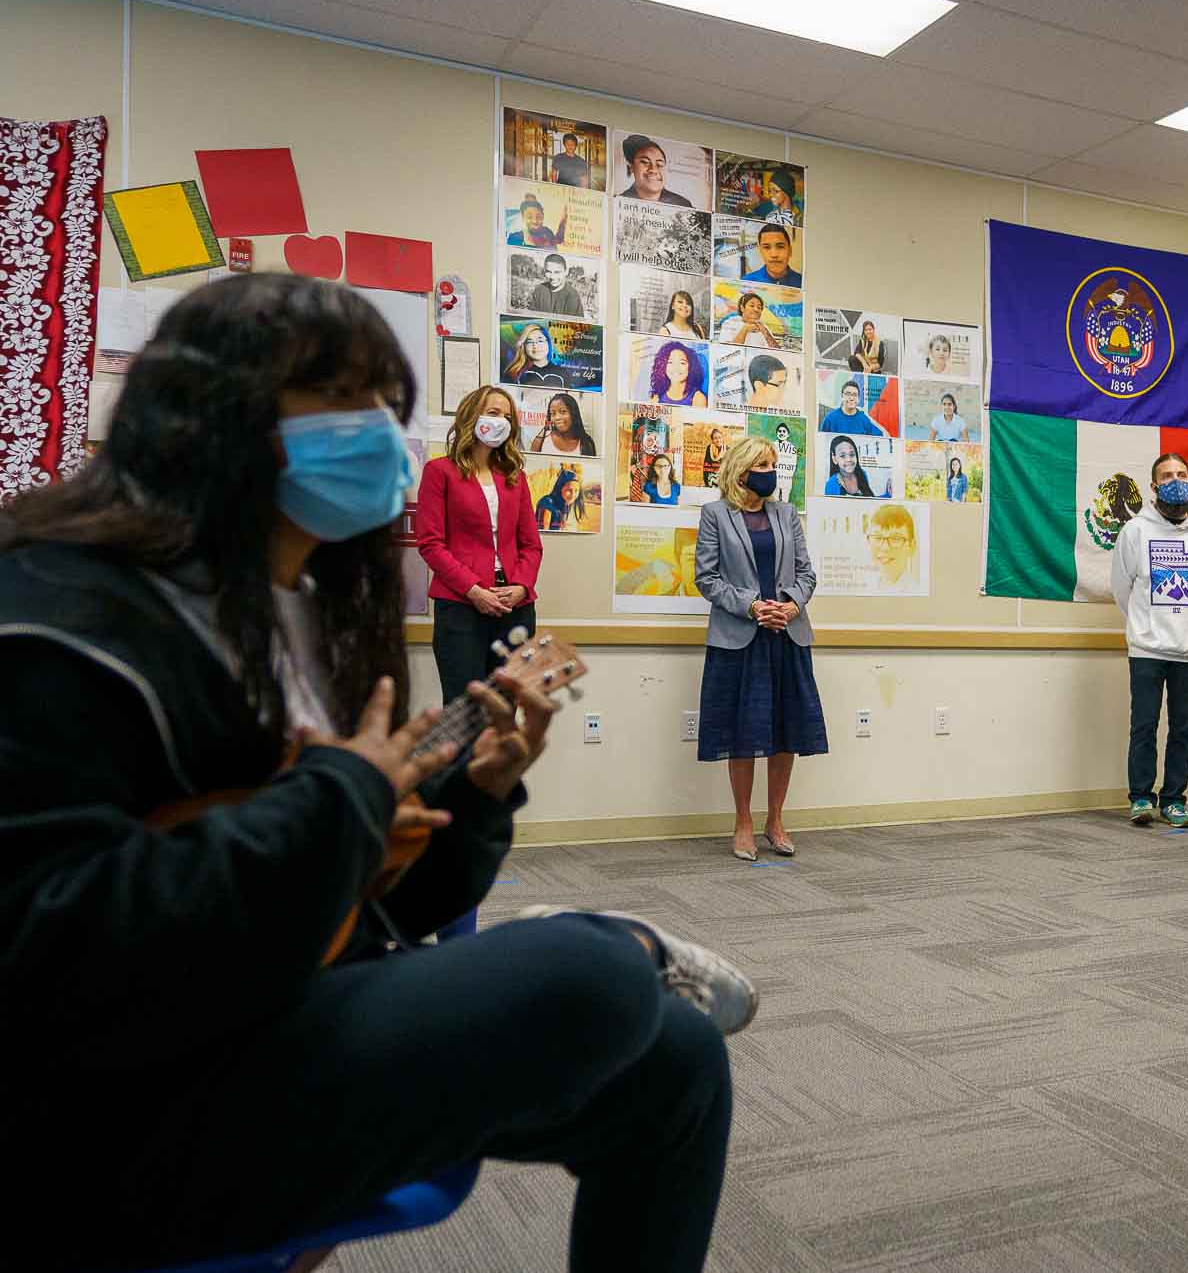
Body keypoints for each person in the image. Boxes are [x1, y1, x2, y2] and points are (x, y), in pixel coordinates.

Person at [0, 274, 748, 1273]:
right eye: (337, 401)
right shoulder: (58, 609)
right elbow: (41, 948)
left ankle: (618, 946)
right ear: (213, 411)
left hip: (260, 1010)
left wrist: (472, 794)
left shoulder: (311, 615)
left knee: (677, 1060)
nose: (378, 434)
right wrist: (341, 798)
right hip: (106, 1111)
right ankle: (627, 942)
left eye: (386, 410)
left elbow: (376, 902)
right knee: (590, 974)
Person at [694, 436, 825, 861]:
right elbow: (707, 578)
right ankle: (743, 823)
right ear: (741, 469)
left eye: (774, 463)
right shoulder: (716, 515)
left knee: (786, 731)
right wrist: (752, 607)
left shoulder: (787, 514)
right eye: (763, 464)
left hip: (787, 635)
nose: (771, 471)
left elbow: (806, 573)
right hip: (740, 637)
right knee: (743, 733)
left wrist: (790, 605)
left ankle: (776, 820)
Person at [1112, 453, 1188, 830]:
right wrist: (1146, 625)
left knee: (1182, 729)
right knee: (1143, 725)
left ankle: (1174, 800)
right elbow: (1121, 589)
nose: (1175, 480)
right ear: (1154, 486)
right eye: (1167, 475)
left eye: (1181, 474)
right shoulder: (1135, 532)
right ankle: (1141, 797)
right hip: (1146, 648)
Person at [419, 385, 542, 703]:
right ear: (470, 416)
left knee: (504, 709)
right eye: (493, 413)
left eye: (507, 417)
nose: (501, 421)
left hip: (515, 608)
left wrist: (521, 588)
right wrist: (473, 590)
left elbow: (531, 545)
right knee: (464, 710)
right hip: (462, 607)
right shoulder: (439, 472)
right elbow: (431, 544)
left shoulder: (516, 477)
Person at [619, 134, 693, 205]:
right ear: (631, 167)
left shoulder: (683, 204)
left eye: (659, 164)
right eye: (645, 162)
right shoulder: (619, 201)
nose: (653, 170)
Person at [867, 504, 919, 590]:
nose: (885, 547)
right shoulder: (868, 585)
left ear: (911, 546)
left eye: (895, 538)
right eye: (877, 537)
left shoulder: (914, 590)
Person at [528, 391, 597, 457]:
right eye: (553, 413)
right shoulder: (540, 441)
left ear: (573, 413)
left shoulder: (586, 443)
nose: (557, 418)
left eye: (563, 411)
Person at [642, 342, 707, 410]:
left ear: (691, 366)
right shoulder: (656, 397)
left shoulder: (698, 398)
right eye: (670, 362)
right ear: (663, 366)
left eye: (682, 363)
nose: (676, 368)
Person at [506, 322, 567, 388]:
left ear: (548, 343)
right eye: (529, 342)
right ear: (524, 346)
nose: (535, 346)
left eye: (540, 341)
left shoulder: (562, 373)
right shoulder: (515, 373)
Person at [740, 222, 801, 287]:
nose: (774, 254)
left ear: (790, 250)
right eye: (767, 247)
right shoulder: (746, 283)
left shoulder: (803, 283)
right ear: (760, 251)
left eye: (780, 246)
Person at [526, 253, 584, 318]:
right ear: (544, 271)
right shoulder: (539, 290)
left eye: (557, 272)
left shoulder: (572, 295)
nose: (552, 277)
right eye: (549, 271)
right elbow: (531, 317)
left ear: (565, 272)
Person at [820, 378, 886, 436]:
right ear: (842, 396)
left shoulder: (864, 420)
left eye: (855, 395)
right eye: (848, 394)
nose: (851, 398)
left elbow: (880, 436)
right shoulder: (830, 419)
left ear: (858, 399)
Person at [535, 467, 585, 532]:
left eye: (576, 490)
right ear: (560, 488)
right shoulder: (547, 503)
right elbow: (543, 532)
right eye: (569, 490)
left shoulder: (566, 504)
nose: (573, 494)